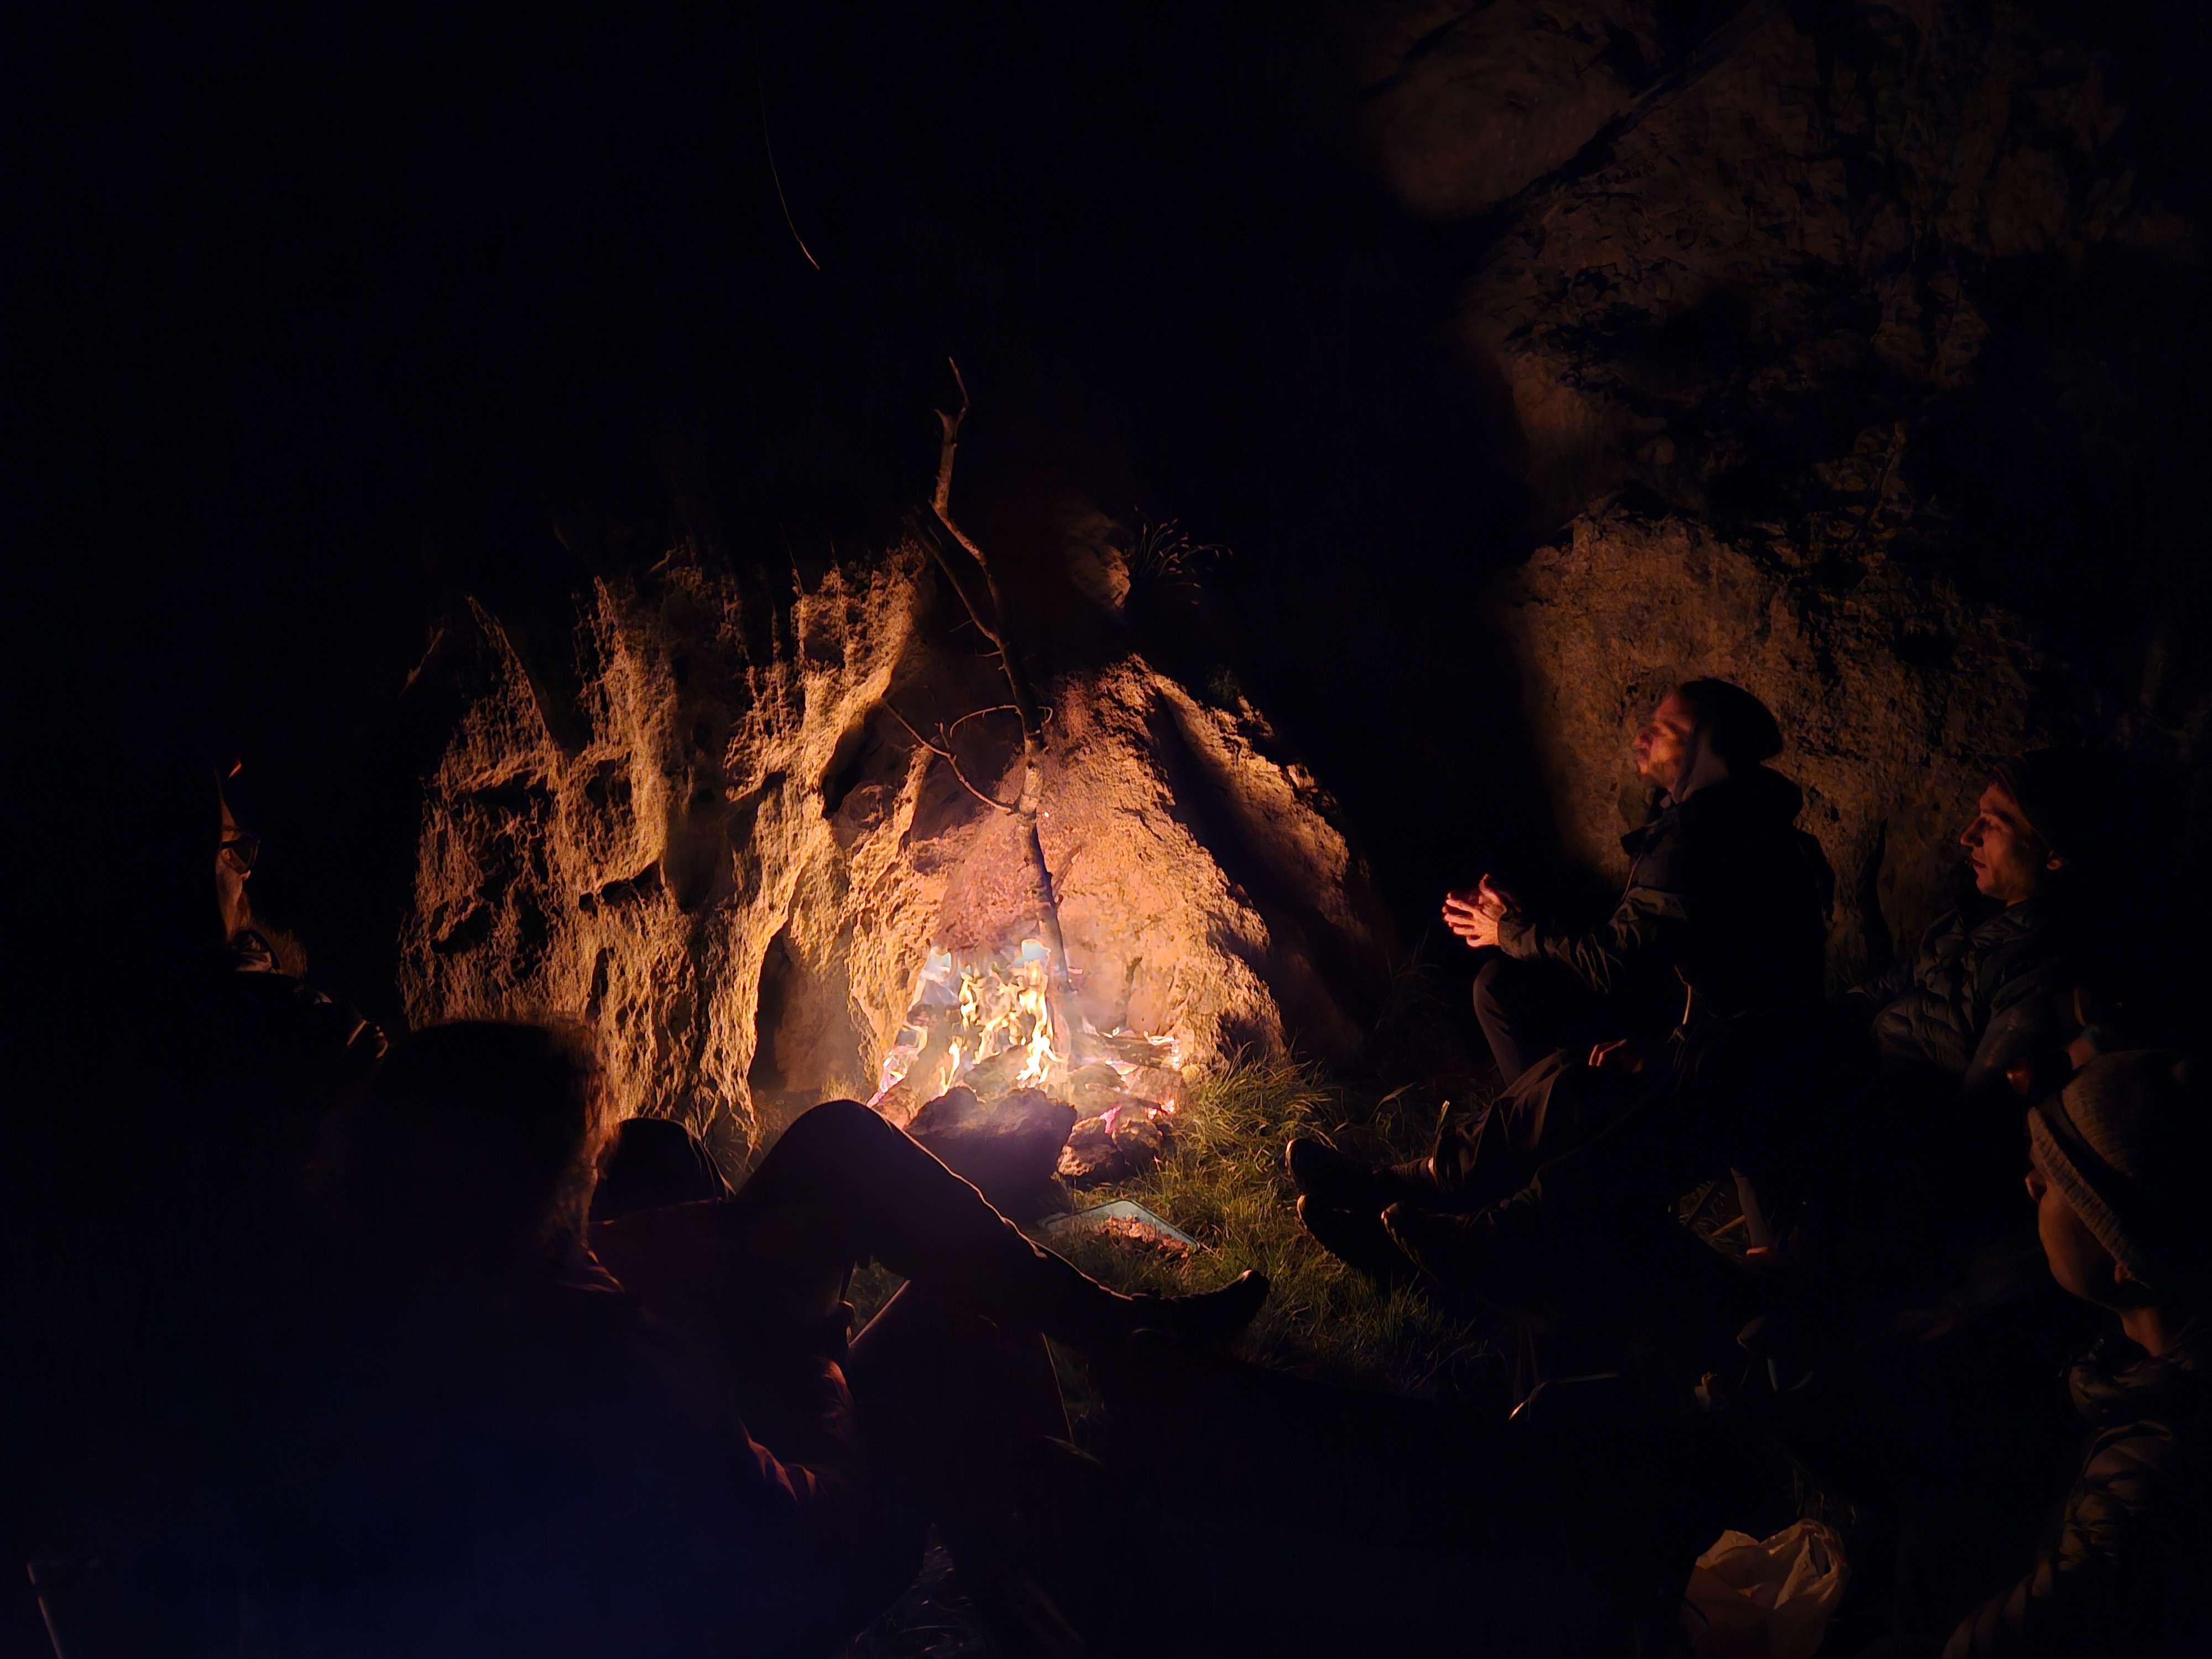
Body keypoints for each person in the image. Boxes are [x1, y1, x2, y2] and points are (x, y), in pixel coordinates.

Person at [248, 1021, 1266, 1657]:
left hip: (690, 1469)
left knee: (833, 1144)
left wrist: (730, 1244)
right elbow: (805, 1524)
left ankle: (1122, 1341)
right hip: (779, 1579)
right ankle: (1106, 1575)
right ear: (547, 1189)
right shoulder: (604, 1365)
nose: (599, 1174)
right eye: (587, 1165)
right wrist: (811, 1342)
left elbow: (622, 1262)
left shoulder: (433, 1272)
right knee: (958, 1321)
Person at [1287, 680, 1833, 1304]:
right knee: (1527, 1022)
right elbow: (1655, 946)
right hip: (1716, 1050)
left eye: (1665, 730)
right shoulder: (1720, 820)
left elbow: (1618, 964)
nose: (1643, 737)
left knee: (1573, 1090)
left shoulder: (1711, 836)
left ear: (1706, 749)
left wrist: (1510, 931)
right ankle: (1423, 1197)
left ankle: (1454, 1230)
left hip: (1741, 1073)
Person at [1929, 1051, 2208, 1657]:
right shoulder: (2138, 1359)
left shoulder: (2148, 1480)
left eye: (2054, 1182)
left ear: (2123, 1256)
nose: (2030, 1184)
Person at [1846, 751, 2093, 1098]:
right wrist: (1833, 1017)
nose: (1967, 836)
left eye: (1993, 824)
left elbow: (1982, 1102)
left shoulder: (2038, 965)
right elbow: (1900, 979)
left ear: (2054, 854)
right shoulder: (1971, 915)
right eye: (1978, 816)